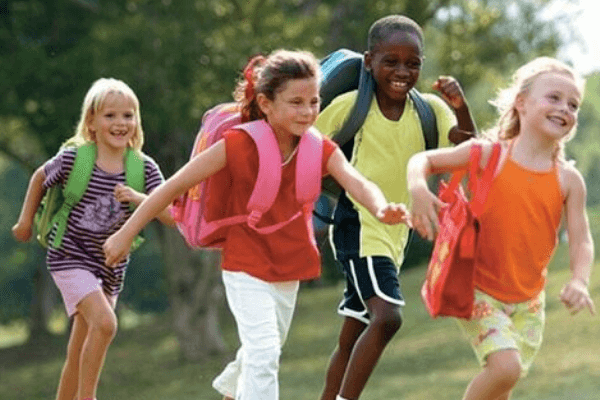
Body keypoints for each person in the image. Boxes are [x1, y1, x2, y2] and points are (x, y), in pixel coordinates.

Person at [102, 49, 410, 400]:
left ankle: (233, 393)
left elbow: (358, 182)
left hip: (290, 265)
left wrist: (382, 207)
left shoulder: (318, 148)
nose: (308, 112)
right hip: (245, 264)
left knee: (259, 351)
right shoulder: (238, 144)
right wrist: (126, 233)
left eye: (313, 101)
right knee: (264, 354)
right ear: (265, 104)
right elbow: (173, 187)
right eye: (296, 102)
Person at [407, 56, 595, 400]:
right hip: (479, 291)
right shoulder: (487, 154)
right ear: (520, 103)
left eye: (573, 104)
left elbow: (582, 240)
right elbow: (425, 161)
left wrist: (580, 281)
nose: (564, 109)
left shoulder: (568, 180)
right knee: (505, 369)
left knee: (502, 384)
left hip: (529, 302)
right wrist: (418, 189)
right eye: (553, 98)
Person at [315, 15, 477, 400]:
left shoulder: (430, 110)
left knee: (352, 335)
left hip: (395, 235)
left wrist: (461, 107)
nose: (402, 71)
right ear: (369, 61)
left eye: (413, 62)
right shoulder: (350, 106)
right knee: (387, 317)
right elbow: (306, 151)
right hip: (358, 222)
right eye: (391, 61)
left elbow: (464, 150)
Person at [11, 78, 174, 400]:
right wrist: (24, 221)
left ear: (136, 122)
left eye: (128, 115)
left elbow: (171, 217)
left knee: (80, 348)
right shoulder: (75, 159)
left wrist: (139, 198)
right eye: (110, 115)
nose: (120, 123)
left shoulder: (145, 168)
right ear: (92, 122)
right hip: (69, 255)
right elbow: (40, 177)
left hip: (110, 265)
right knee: (106, 324)